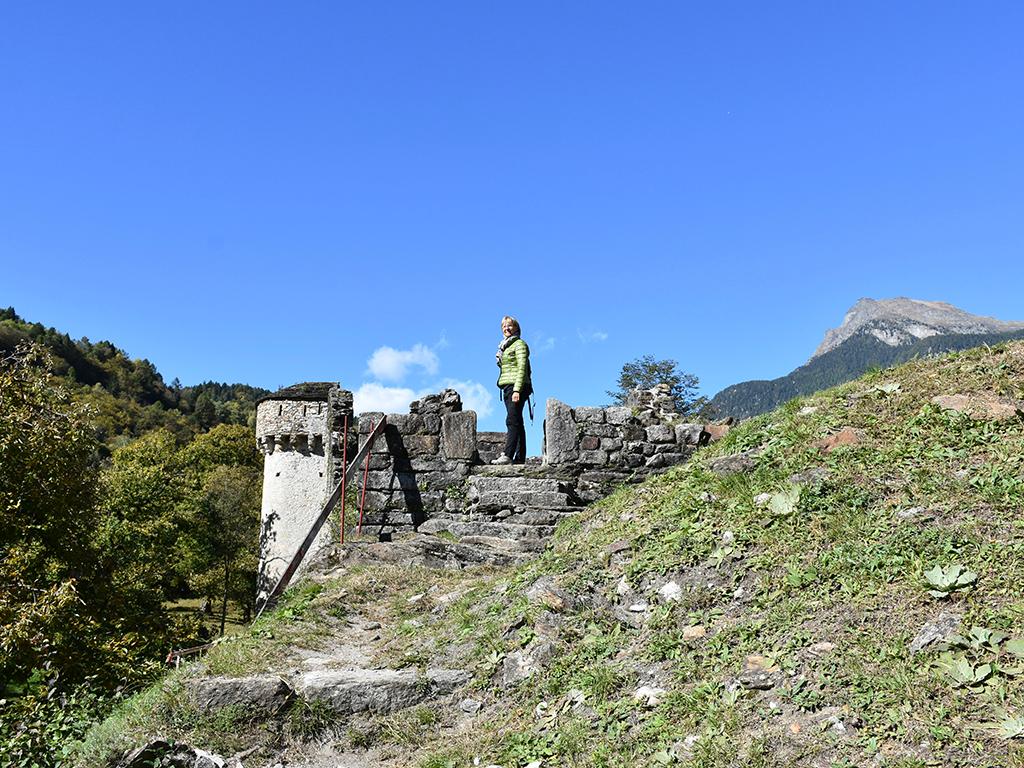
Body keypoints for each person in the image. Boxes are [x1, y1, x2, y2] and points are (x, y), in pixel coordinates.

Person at [492, 315, 532, 465]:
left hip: (517, 386)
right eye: (504, 326)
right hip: (508, 386)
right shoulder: (506, 346)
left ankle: (507, 455)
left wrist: (517, 390)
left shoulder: (519, 344)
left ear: (516, 328)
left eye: (510, 326)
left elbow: (522, 367)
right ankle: (520, 457)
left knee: (512, 420)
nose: (506, 328)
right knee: (517, 421)